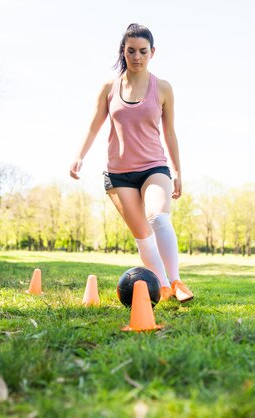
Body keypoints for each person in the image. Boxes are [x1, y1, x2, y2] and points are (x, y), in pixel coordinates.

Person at [69, 23, 193, 303]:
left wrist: (177, 171)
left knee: (158, 217)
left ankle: (176, 282)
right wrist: (79, 156)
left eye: (143, 51)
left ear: (153, 52)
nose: (137, 57)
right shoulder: (109, 88)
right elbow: (93, 126)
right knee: (142, 235)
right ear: (123, 52)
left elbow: (170, 132)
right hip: (119, 173)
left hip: (154, 167)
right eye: (131, 51)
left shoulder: (162, 88)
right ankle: (161, 286)